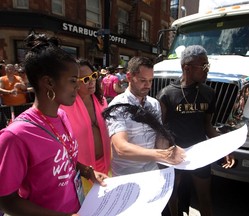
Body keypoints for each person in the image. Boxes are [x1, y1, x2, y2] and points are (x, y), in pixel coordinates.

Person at [0, 33, 108, 216]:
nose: (77, 86)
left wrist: (87, 171)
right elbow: (6, 201)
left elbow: (66, 158)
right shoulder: (16, 135)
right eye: (73, 80)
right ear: (49, 82)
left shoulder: (62, 116)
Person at [157, 45, 235, 216]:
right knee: (172, 197)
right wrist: (163, 156)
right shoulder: (166, 94)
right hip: (175, 154)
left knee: (205, 198)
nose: (208, 70)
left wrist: (224, 148)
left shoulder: (209, 93)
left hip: (200, 154)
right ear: (187, 67)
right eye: (204, 66)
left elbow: (208, 125)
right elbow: (161, 130)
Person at [103, 56, 185, 177]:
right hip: (128, 175)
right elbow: (121, 148)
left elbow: (159, 138)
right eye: (143, 80)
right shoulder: (117, 106)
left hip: (152, 171)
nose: (148, 85)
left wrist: (170, 150)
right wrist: (162, 155)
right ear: (129, 77)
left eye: (151, 80)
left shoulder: (154, 103)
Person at [61, 58, 111, 195]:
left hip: (106, 164)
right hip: (83, 171)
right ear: (74, 82)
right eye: (85, 79)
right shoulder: (65, 107)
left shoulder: (101, 100)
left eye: (93, 76)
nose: (91, 82)